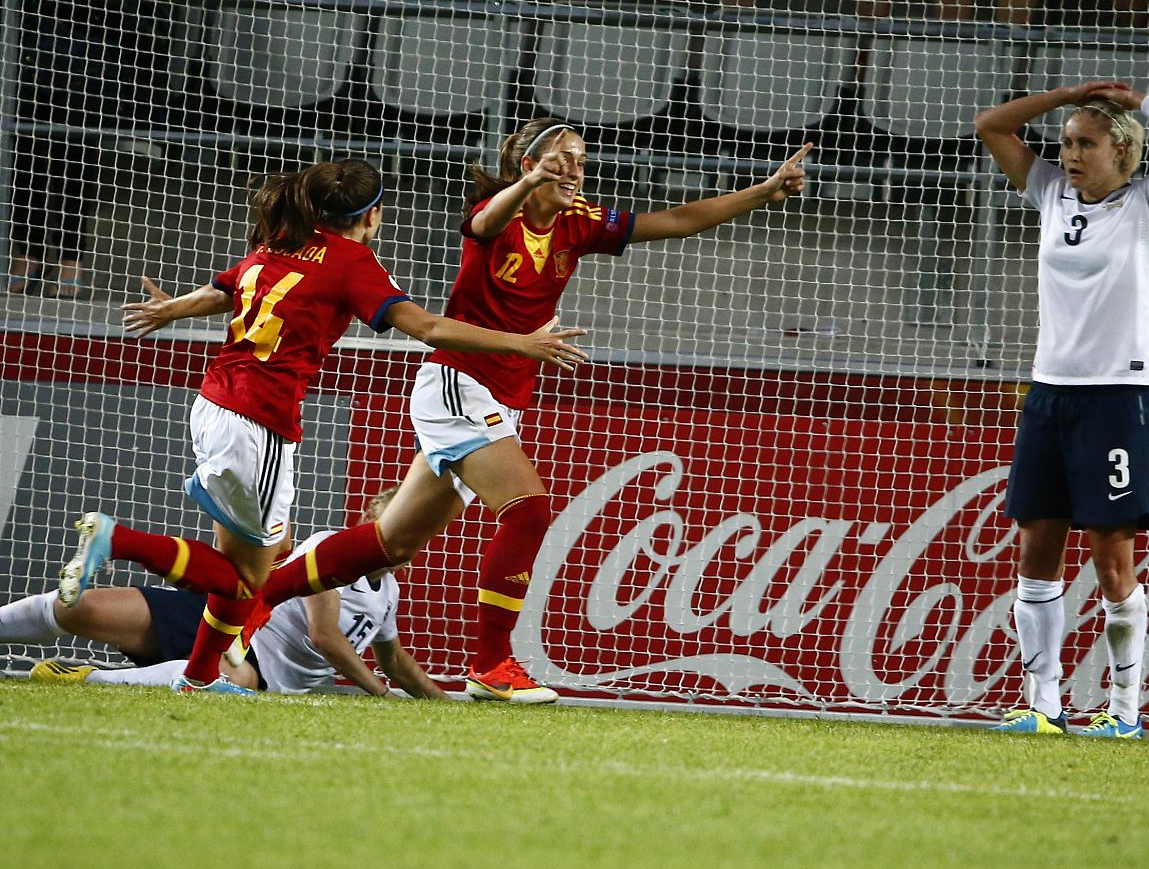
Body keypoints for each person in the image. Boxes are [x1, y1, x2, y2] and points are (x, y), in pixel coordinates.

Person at [229, 120, 812, 705]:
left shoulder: (579, 222)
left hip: (502, 398)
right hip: (460, 382)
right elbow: (482, 223)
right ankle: (492, 664)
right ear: (527, 165)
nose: (574, 170)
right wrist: (528, 181)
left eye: (581, 160)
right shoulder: (497, 215)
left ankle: (250, 607)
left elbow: (679, 220)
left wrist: (763, 190)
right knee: (529, 510)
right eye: (561, 160)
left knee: (392, 545)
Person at [57, 158, 589, 696]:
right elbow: (426, 327)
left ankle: (199, 678)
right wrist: (522, 343)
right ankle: (116, 540)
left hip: (216, 403)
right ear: (372, 215)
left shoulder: (283, 241)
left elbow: (229, 289)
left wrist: (174, 310)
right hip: (258, 417)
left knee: (260, 559)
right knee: (250, 580)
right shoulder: (350, 260)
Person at [974, 80, 1149, 738]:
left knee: (1110, 562)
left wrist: (1143, 100)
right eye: (1066, 142)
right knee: (1035, 554)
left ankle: (1124, 712)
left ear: (1122, 151)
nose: (1069, 154)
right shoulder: (1049, 192)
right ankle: (1042, 704)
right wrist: (1069, 93)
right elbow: (990, 122)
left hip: (1116, 399)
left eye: (1085, 143)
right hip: (1048, 395)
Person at [12, 489, 445, 699]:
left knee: (224, 680)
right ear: (371, 520)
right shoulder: (329, 549)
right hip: (220, 615)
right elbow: (323, 634)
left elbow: (397, 661)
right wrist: (380, 693)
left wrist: (440, 701)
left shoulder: (388, 593)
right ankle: (115, 541)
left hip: (259, 668)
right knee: (75, 609)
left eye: (413, 531)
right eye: (393, 524)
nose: (403, 536)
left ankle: (87, 679)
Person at [9, 0, 161, 300]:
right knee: (36, 114)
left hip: (111, 80)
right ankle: (30, 249)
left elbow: (137, 32)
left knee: (75, 113)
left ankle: (70, 254)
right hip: (52, 77)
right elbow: (35, 18)